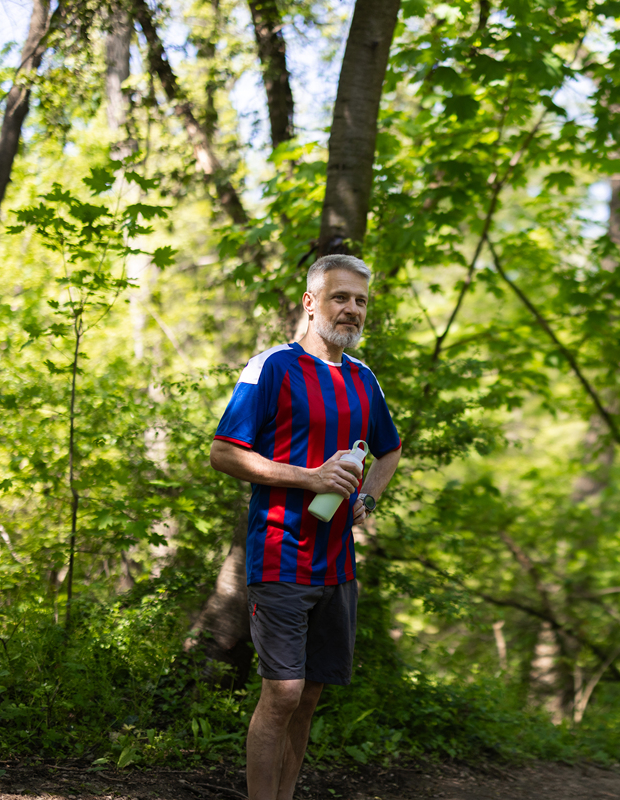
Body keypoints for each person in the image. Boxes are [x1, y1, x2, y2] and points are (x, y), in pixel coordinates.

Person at [209, 254, 402, 800]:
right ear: (311, 302)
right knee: (283, 693)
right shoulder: (270, 366)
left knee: (311, 694)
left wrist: (366, 497)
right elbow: (223, 453)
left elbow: (389, 450)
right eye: (341, 297)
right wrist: (310, 478)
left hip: (337, 562)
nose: (352, 309)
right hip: (280, 553)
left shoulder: (365, 379)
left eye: (361, 301)